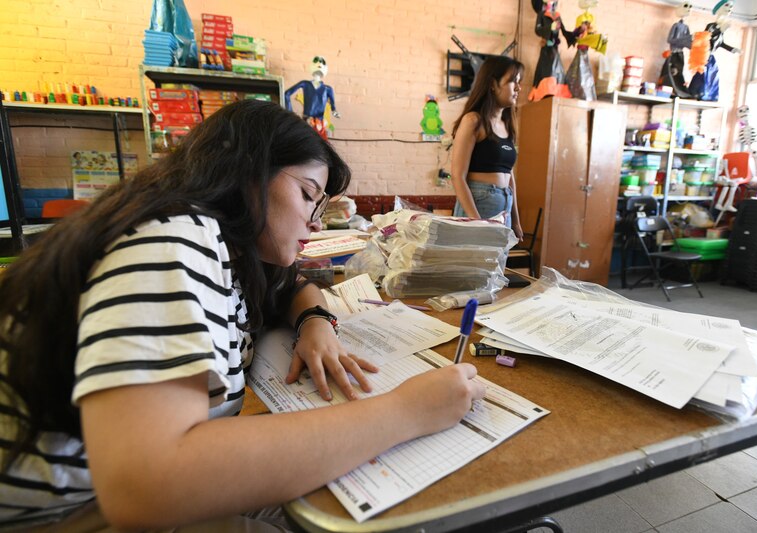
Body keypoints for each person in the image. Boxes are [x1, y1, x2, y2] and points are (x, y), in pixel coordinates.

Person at [0, 100, 486, 531]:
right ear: (249, 173)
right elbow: (144, 485)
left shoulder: (230, 248)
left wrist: (316, 323)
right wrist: (405, 412)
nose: (316, 223)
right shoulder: (174, 239)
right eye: (307, 194)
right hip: (63, 514)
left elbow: (293, 287)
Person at [451, 55, 524, 240]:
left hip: (504, 208)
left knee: (495, 268)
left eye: (519, 82)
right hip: (478, 204)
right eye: (512, 81)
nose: (518, 87)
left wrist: (515, 220)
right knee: (474, 268)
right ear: (493, 83)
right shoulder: (473, 120)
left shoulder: (507, 125)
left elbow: (509, 176)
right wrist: (476, 222)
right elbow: (457, 175)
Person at [284, 56, 340, 139]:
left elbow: (333, 106)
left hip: (320, 124)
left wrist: (334, 111)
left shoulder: (327, 89)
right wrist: (290, 113)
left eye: (322, 63)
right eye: (317, 62)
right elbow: (287, 94)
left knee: (320, 147)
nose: (319, 64)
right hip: (307, 122)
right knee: (304, 145)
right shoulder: (305, 84)